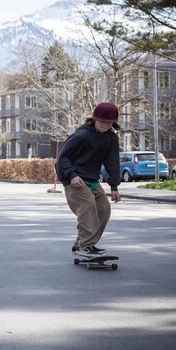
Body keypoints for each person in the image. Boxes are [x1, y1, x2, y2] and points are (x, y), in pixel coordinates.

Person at [55, 102, 122, 258]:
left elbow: (113, 162)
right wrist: (71, 175)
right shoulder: (82, 135)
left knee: (104, 210)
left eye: (108, 122)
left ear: (114, 122)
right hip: (74, 178)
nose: (105, 125)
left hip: (92, 179)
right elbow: (62, 157)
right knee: (88, 207)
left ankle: (83, 242)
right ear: (94, 119)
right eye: (102, 121)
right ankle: (85, 246)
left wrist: (114, 187)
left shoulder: (111, 138)